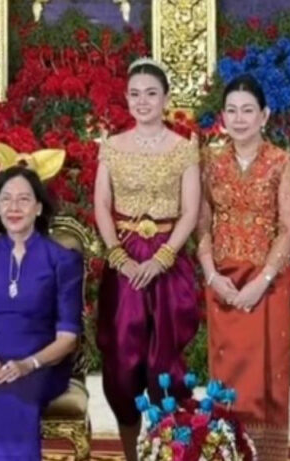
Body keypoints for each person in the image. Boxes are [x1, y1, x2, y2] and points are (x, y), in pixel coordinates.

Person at [93, 58, 201, 460]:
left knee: (165, 364)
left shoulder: (183, 149)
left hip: (167, 265)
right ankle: (131, 454)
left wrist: (163, 258)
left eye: (151, 93)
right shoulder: (112, 146)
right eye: (135, 94)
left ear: (166, 98)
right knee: (122, 362)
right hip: (124, 266)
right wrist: (118, 256)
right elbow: (102, 205)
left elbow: (190, 211)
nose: (143, 101)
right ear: (126, 98)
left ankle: (167, 451)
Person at [196, 74, 290, 460]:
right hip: (223, 284)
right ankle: (226, 451)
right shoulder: (210, 162)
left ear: (264, 116)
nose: (239, 119)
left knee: (266, 378)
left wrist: (263, 280)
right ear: (223, 116)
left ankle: (267, 455)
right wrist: (211, 275)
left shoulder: (283, 162)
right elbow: (202, 224)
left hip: (267, 286)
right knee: (226, 380)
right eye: (232, 111)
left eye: (247, 110)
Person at [0, 163, 83, 460]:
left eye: (23, 199)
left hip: (43, 362)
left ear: (38, 208)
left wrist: (29, 364)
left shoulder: (62, 259)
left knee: (17, 399)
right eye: (6, 199)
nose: (14, 207)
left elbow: (68, 338)